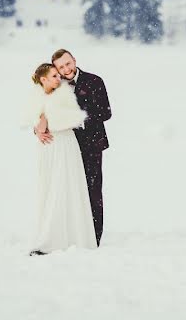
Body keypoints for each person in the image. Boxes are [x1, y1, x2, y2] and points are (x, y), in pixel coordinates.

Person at [37, 49, 111, 246]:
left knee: (92, 190)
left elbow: (106, 112)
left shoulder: (94, 81)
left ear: (74, 61)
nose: (66, 69)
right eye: (61, 67)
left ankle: (93, 238)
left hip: (91, 144)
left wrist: (79, 119)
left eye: (68, 64)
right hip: (65, 146)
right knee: (67, 190)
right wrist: (38, 130)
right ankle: (71, 234)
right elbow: (43, 110)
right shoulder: (55, 85)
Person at [25, 63, 96, 255]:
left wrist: (47, 119)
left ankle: (59, 238)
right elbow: (29, 119)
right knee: (48, 188)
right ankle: (48, 233)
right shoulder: (36, 96)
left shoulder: (64, 94)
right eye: (54, 76)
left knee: (63, 187)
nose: (59, 79)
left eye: (58, 75)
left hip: (64, 144)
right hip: (47, 148)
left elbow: (73, 119)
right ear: (43, 79)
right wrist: (37, 129)